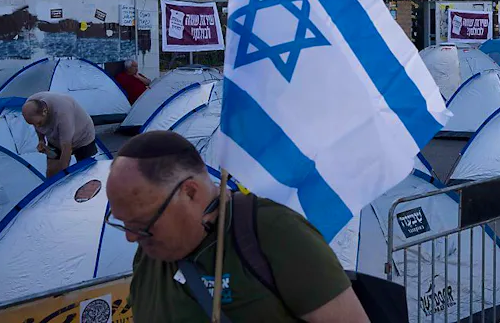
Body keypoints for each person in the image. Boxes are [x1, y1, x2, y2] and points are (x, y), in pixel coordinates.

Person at [106, 131, 369, 323]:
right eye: (123, 224)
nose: (131, 237)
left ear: (189, 192)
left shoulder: (276, 234)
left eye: (142, 224)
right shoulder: (149, 251)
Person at [21, 92, 97, 177]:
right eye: (33, 124)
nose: (37, 126)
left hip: (83, 137)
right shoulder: (31, 105)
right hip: (55, 138)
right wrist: (41, 140)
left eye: (39, 123)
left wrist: (64, 175)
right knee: (51, 172)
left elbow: (66, 148)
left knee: (86, 171)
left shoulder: (62, 114)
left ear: (45, 111)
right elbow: (36, 123)